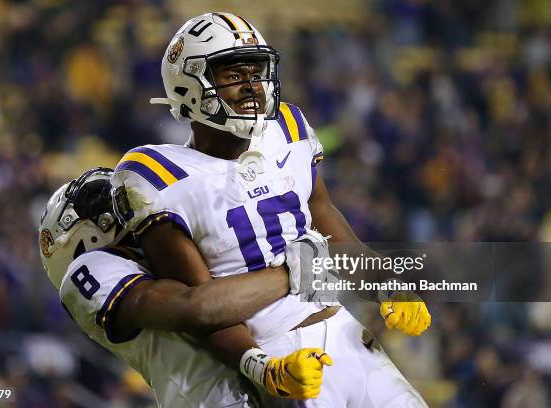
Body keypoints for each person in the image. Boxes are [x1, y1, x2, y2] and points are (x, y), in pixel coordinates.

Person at [111, 12, 431, 407]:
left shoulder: (289, 127)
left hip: (347, 333)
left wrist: (387, 286)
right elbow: (202, 310)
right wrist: (262, 367)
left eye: (256, 71)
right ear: (189, 85)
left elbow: (335, 233)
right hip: (283, 353)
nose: (252, 87)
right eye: (232, 74)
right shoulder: (158, 176)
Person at [39, 167, 332, 407]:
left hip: (269, 383)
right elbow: (194, 308)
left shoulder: (165, 248)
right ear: (73, 239)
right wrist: (291, 271)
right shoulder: (85, 272)